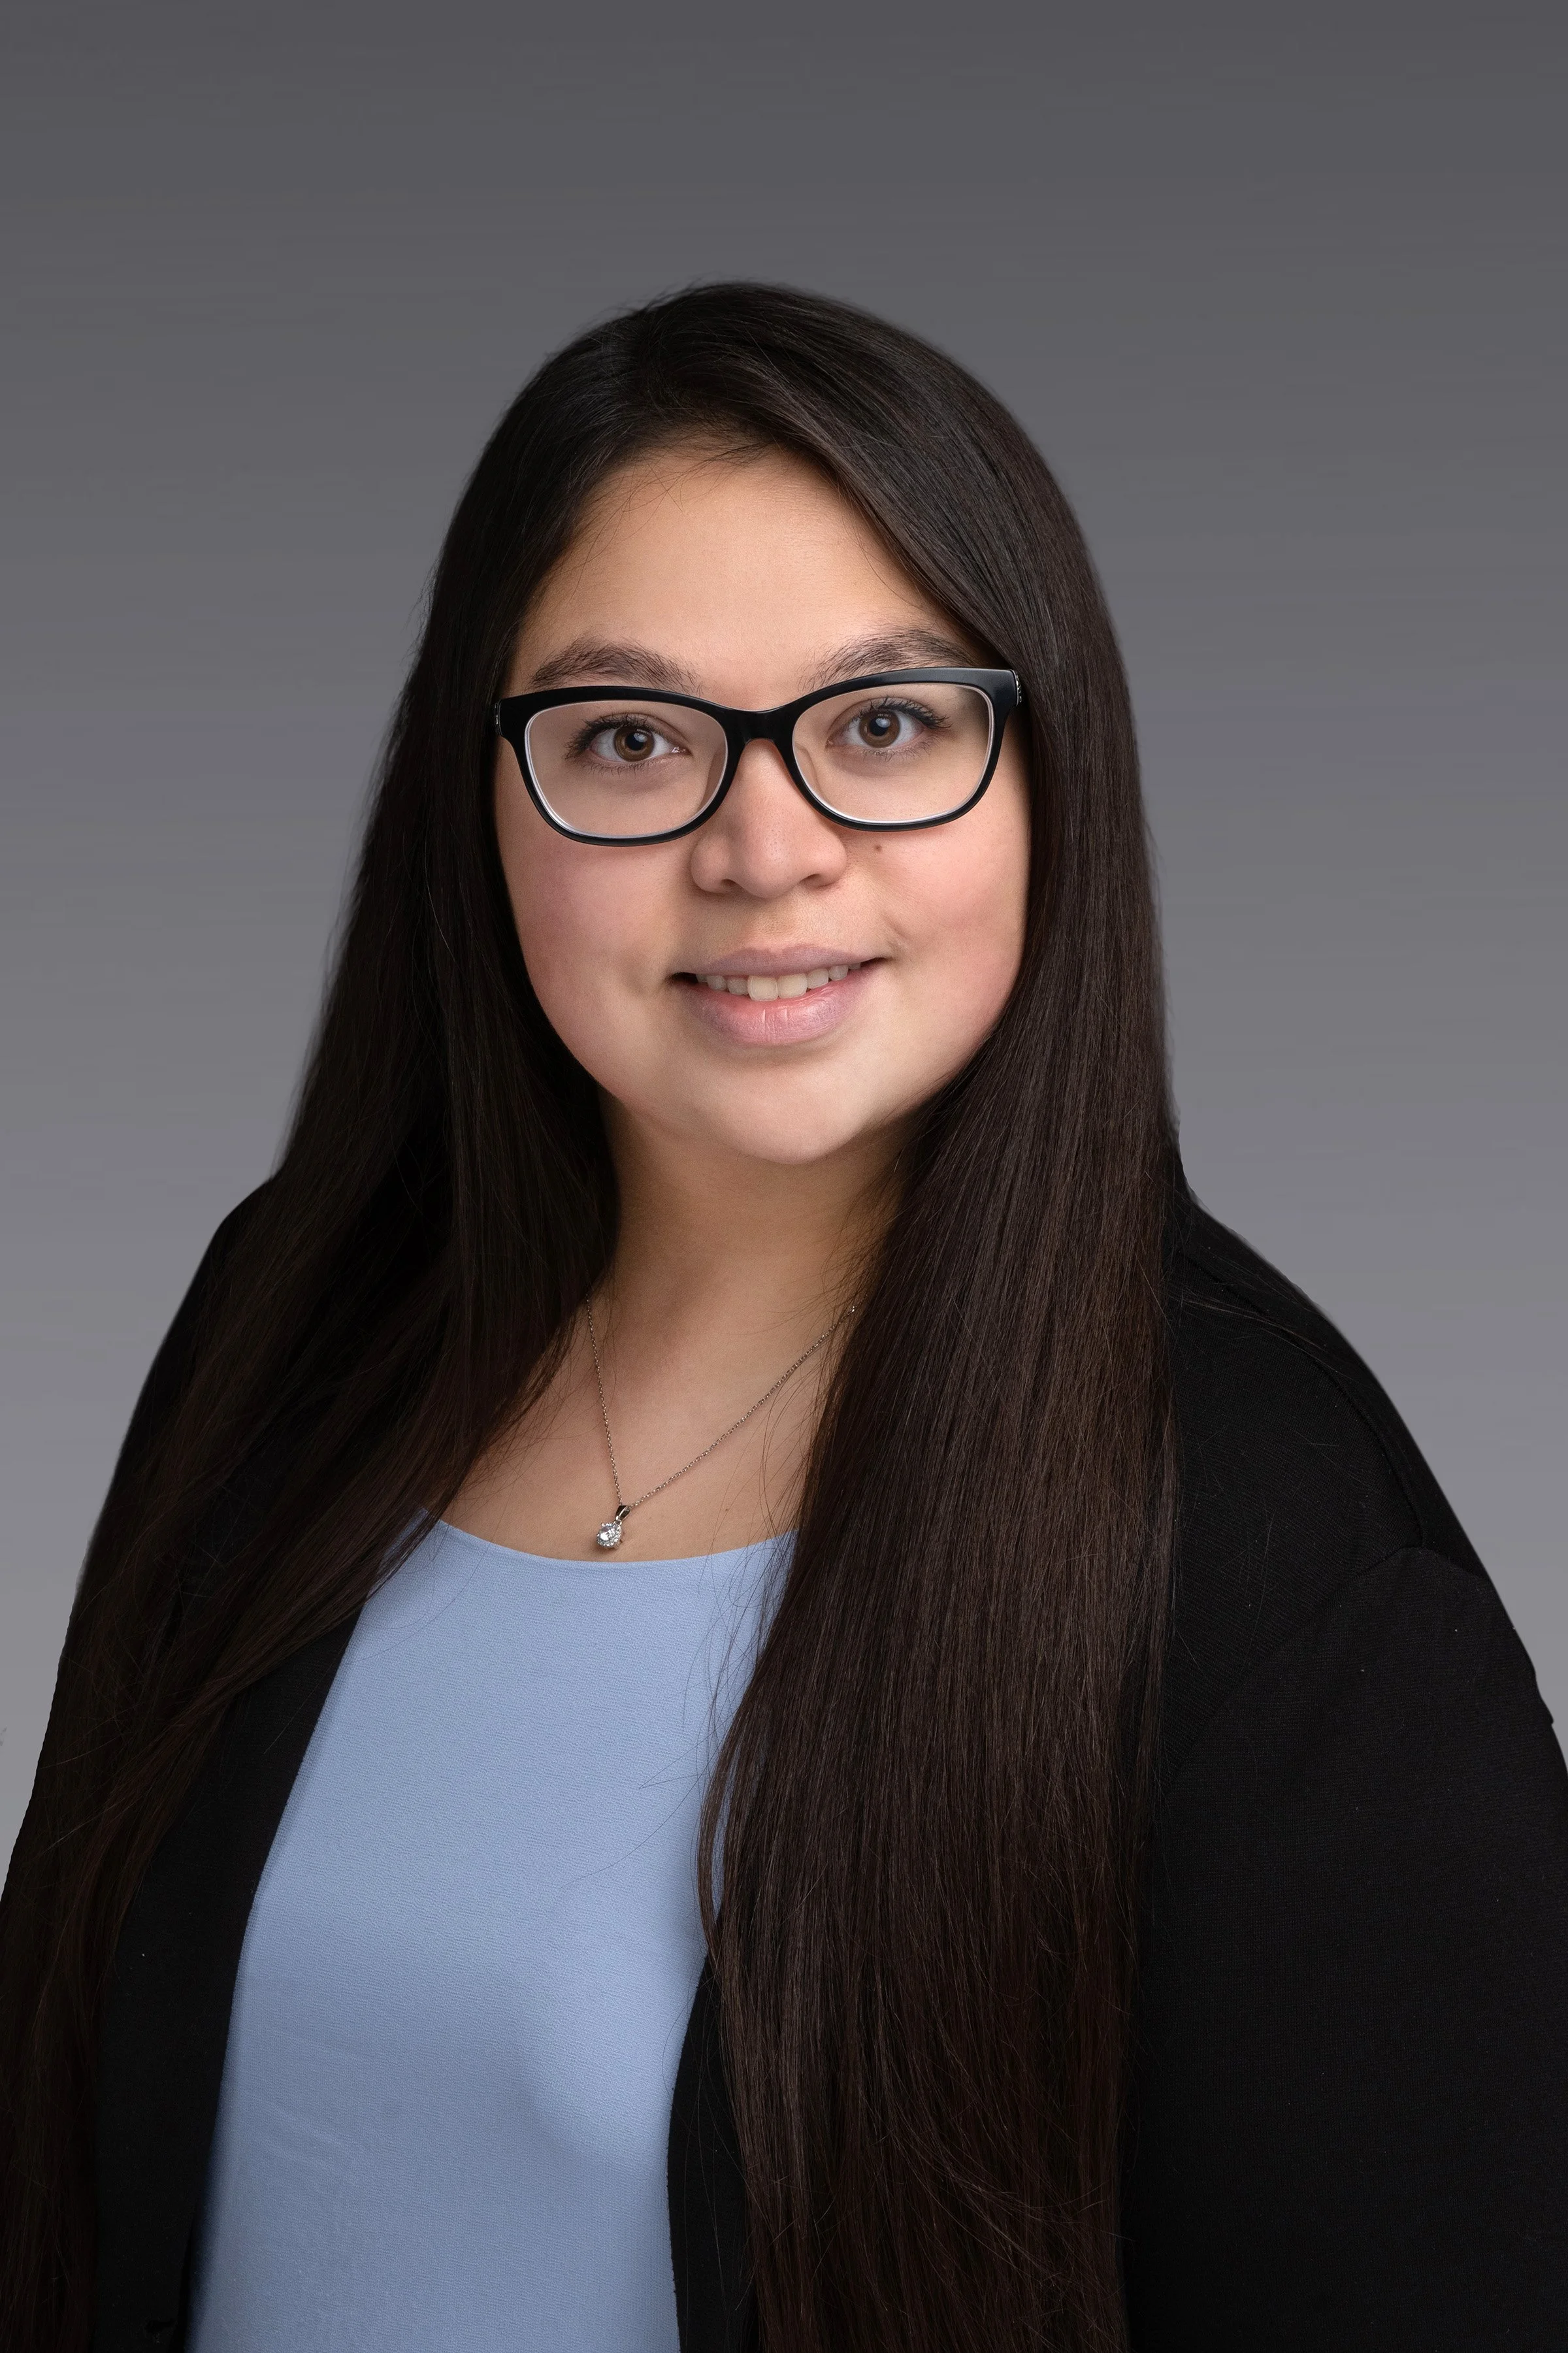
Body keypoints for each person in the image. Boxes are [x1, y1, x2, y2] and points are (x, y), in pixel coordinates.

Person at [3, 284, 1565, 2353]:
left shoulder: (1271, 1538)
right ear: (481, 801)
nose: (768, 849)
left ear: (1049, 782)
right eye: (632, 738)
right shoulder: (292, 1321)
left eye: (889, 725)